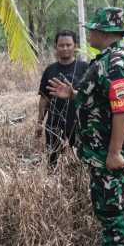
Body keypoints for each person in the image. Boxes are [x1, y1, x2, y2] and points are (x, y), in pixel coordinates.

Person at [47, 8, 124, 246]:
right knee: (106, 206)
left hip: (107, 153)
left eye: (92, 30)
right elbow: (99, 102)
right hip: (98, 152)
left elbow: (123, 109)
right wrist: (74, 95)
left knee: (114, 207)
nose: (88, 34)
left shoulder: (116, 64)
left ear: (104, 33)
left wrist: (114, 152)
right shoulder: (104, 61)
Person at [36, 30, 89, 167]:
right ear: (56, 47)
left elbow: (90, 97)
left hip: (78, 124)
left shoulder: (85, 68)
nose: (65, 48)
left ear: (75, 46)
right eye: (61, 45)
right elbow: (44, 98)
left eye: (68, 45)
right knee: (52, 162)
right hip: (54, 123)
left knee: (81, 163)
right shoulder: (50, 70)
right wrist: (40, 122)